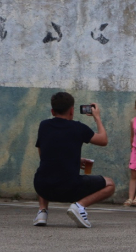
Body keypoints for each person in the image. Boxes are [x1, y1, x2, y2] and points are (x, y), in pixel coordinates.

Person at [33, 92, 115, 228]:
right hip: (69, 189)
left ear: (52, 111)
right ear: (72, 111)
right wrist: (97, 118)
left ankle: (42, 211)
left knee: (44, 170)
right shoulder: (78, 127)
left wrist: (74, 159)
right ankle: (79, 206)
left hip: (43, 188)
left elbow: (45, 155)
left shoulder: (44, 125)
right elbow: (103, 140)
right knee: (110, 184)